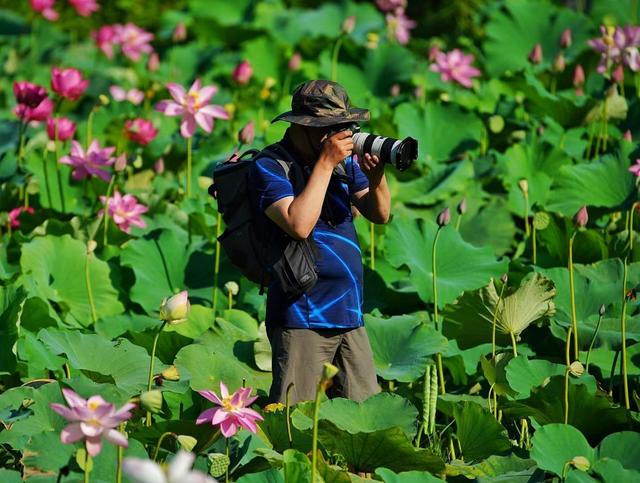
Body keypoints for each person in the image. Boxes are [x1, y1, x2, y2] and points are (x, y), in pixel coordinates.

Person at [249, 80, 391, 404]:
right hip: (302, 314)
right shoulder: (270, 165)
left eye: (345, 125)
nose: (341, 134)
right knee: (293, 422)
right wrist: (325, 163)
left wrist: (376, 177)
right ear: (304, 126)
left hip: (350, 310)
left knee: (365, 417)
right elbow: (298, 225)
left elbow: (380, 214)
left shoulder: (343, 164)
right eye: (331, 127)